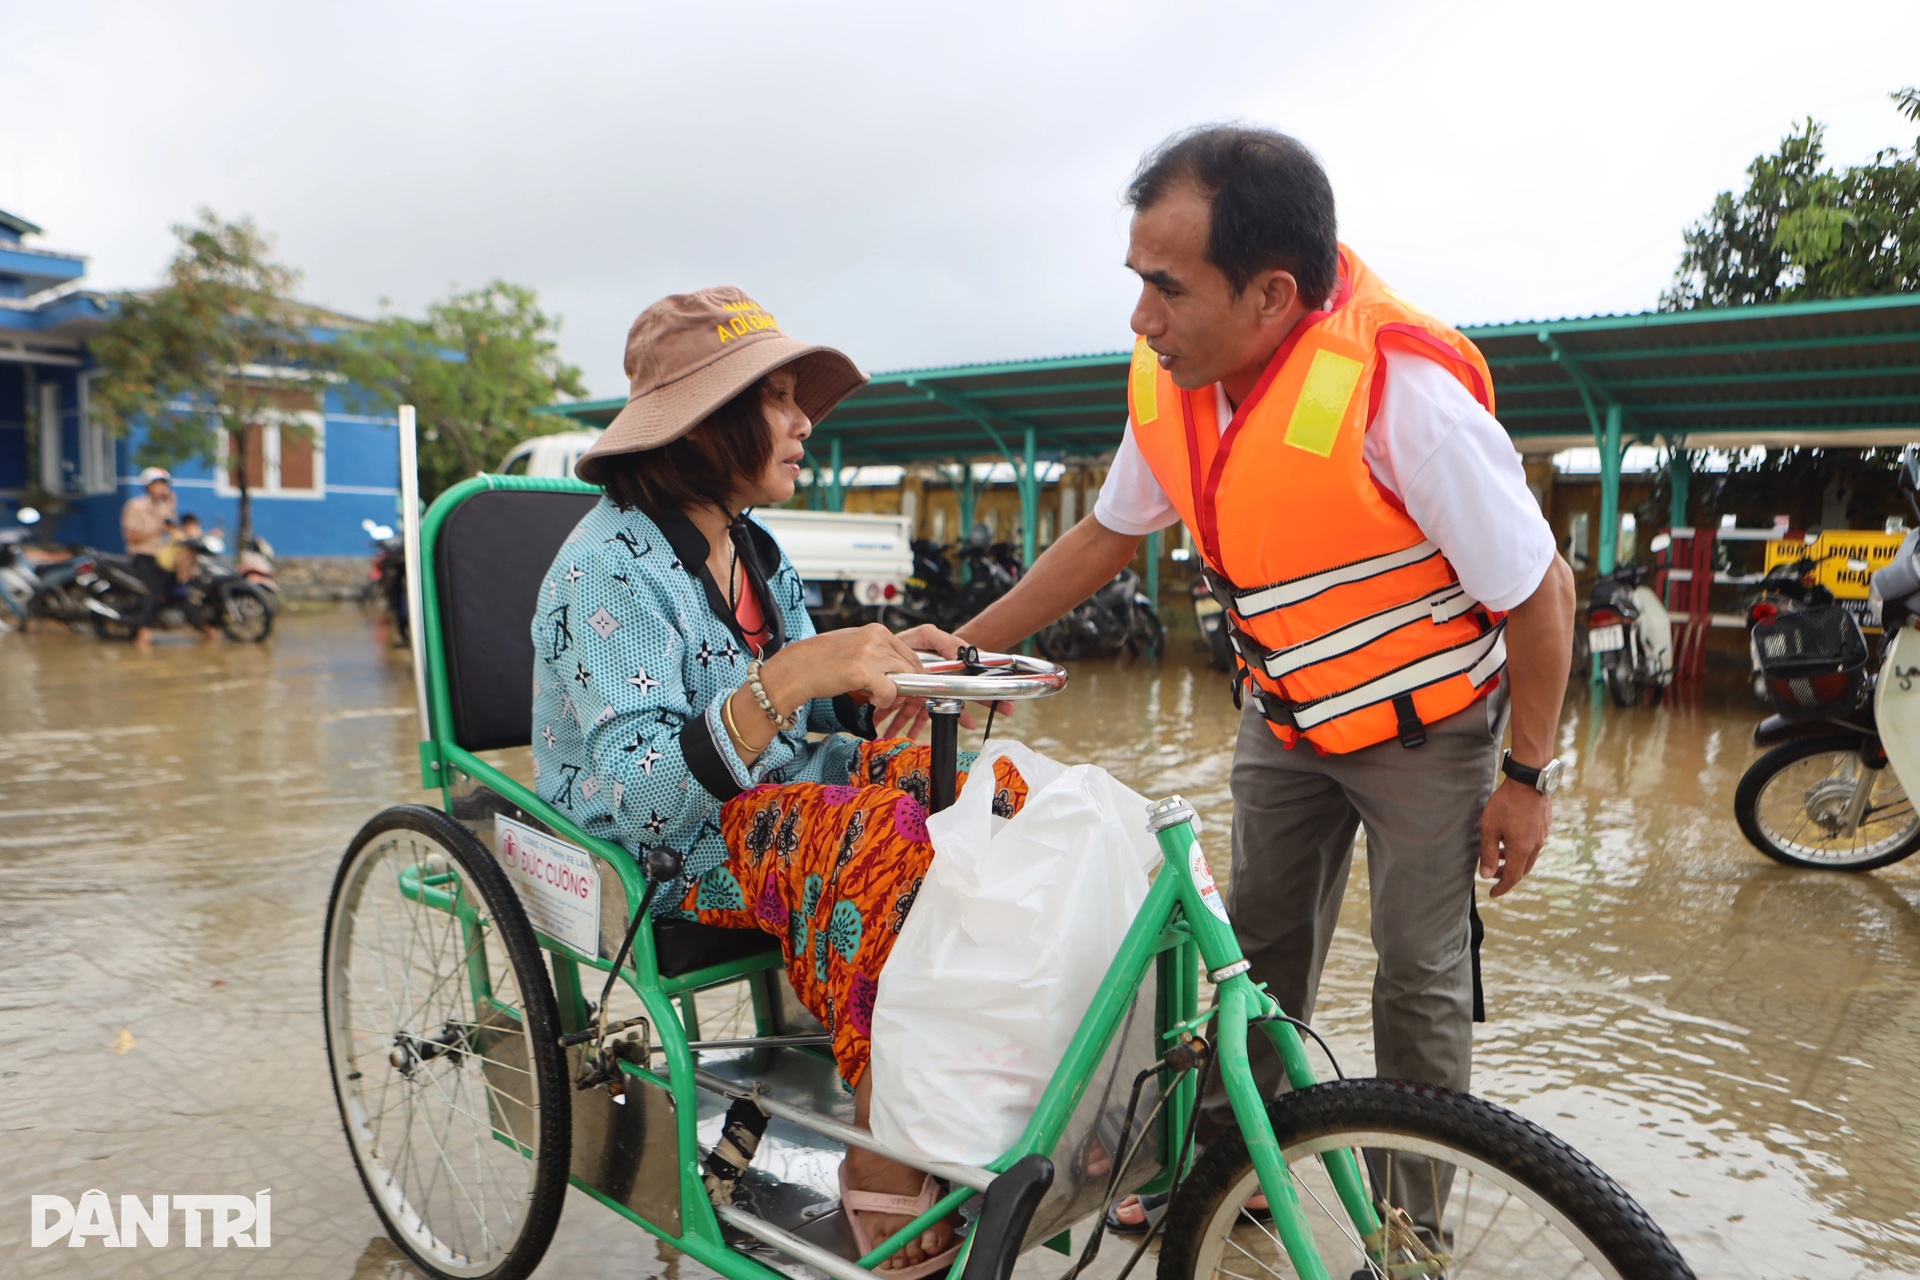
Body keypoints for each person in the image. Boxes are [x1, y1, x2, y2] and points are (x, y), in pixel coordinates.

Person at [954, 125, 1576, 1234]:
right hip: (1286, 721)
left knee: (1419, 979)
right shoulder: (1177, 385)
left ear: (1272, 294)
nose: (1141, 317)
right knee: (1252, 952)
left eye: (1167, 287)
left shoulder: (1404, 398)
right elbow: (1103, 536)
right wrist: (955, 644)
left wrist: (1526, 774)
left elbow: (1542, 594)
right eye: (1138, 280)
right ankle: (1224, 1184)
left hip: (1427, 734)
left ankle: (1412, 1228)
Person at [531, 287, 1015, 1279]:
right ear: (706, 423)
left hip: (770, 799)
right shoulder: (606, 568)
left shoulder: (753, 546)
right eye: (780, 399)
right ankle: (883, 1140)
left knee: (989, 798)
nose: (805, 423)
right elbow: (647, 795)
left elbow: (803, 710)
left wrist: (884, 677)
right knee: (882, 835)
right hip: (663, 845)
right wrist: (793, 674)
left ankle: (969, 1080)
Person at [120, 467, 178, 648]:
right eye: (158, 484)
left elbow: (172, 529)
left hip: (160, 556)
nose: (161, 488)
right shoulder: (135, 506)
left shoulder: (164, 506)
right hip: (141, 555)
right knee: (152, 592)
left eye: (164, 485)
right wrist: (156, 530)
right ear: (148, 486)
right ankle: (143, 634)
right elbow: (131, 537)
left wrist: (171, 505)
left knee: (171, 588)